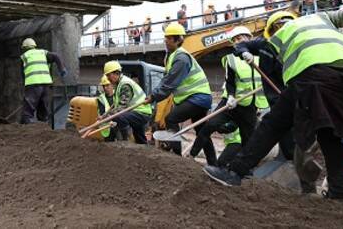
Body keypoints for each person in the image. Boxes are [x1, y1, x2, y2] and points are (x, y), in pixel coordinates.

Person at [204, 9, 343, 200]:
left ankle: (234, 173)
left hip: (312, 77)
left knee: (272, 125)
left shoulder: (276, 37)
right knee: (331, 135)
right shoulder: (321, 18)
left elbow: (245, 44)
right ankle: (338, 193)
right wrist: (245, 52)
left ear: (272, 28)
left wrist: (244, 50)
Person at [145, 23, 216, 164]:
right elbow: (166, 79)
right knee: (201, 130)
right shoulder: (173, 57)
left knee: (171, 119)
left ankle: (177, 158)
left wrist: (154, 97)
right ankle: (213, 163)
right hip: (198, 98)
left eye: (169, 38)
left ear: (177, 40)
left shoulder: (181, 58)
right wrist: (155, 94)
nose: (165, 41)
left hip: (197, 97)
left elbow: (170, 83)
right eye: (165, 38)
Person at [189, 26, 259, 160]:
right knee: (209, 126)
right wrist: (231, 96)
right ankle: (191, 155)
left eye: (242, 37)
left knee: (248, 139)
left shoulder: (260, 57)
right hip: (231, 103)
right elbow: (230, 81)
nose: (239, 41)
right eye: (236, 39)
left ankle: (244, 171)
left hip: (250, 105)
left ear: (249, 38)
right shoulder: (231, 59)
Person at [101, 61, 152, 143]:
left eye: (108, 75)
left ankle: (127, 141)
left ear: (116, 73)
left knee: (118, 117)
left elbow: (122, 107)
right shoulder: (119, 84)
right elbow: (115, 105)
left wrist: (108, 117)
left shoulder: (125, 84)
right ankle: (143, 147)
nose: (107, 79)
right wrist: (104, 116)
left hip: (141, 112)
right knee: (140, 138)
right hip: (137, 112)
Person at [19, 38, 67, 124]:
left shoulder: (24, 56)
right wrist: (61, 69)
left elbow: (23, 73)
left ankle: (26, 123)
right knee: (43, 105)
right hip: (46, 83)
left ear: (24, 48)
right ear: (34, 46)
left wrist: (25, 85)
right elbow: (56, 56)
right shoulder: (43, 53)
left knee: (29, 106)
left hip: (32, 83)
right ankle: (43, 123)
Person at [96, 75, 115, 142]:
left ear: (113, 85)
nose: (105, 88)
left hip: (118, 125)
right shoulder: (101, 98)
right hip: (107, 127)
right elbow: (102, 113)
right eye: (103, 86)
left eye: (107, 85)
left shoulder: (118, 95)